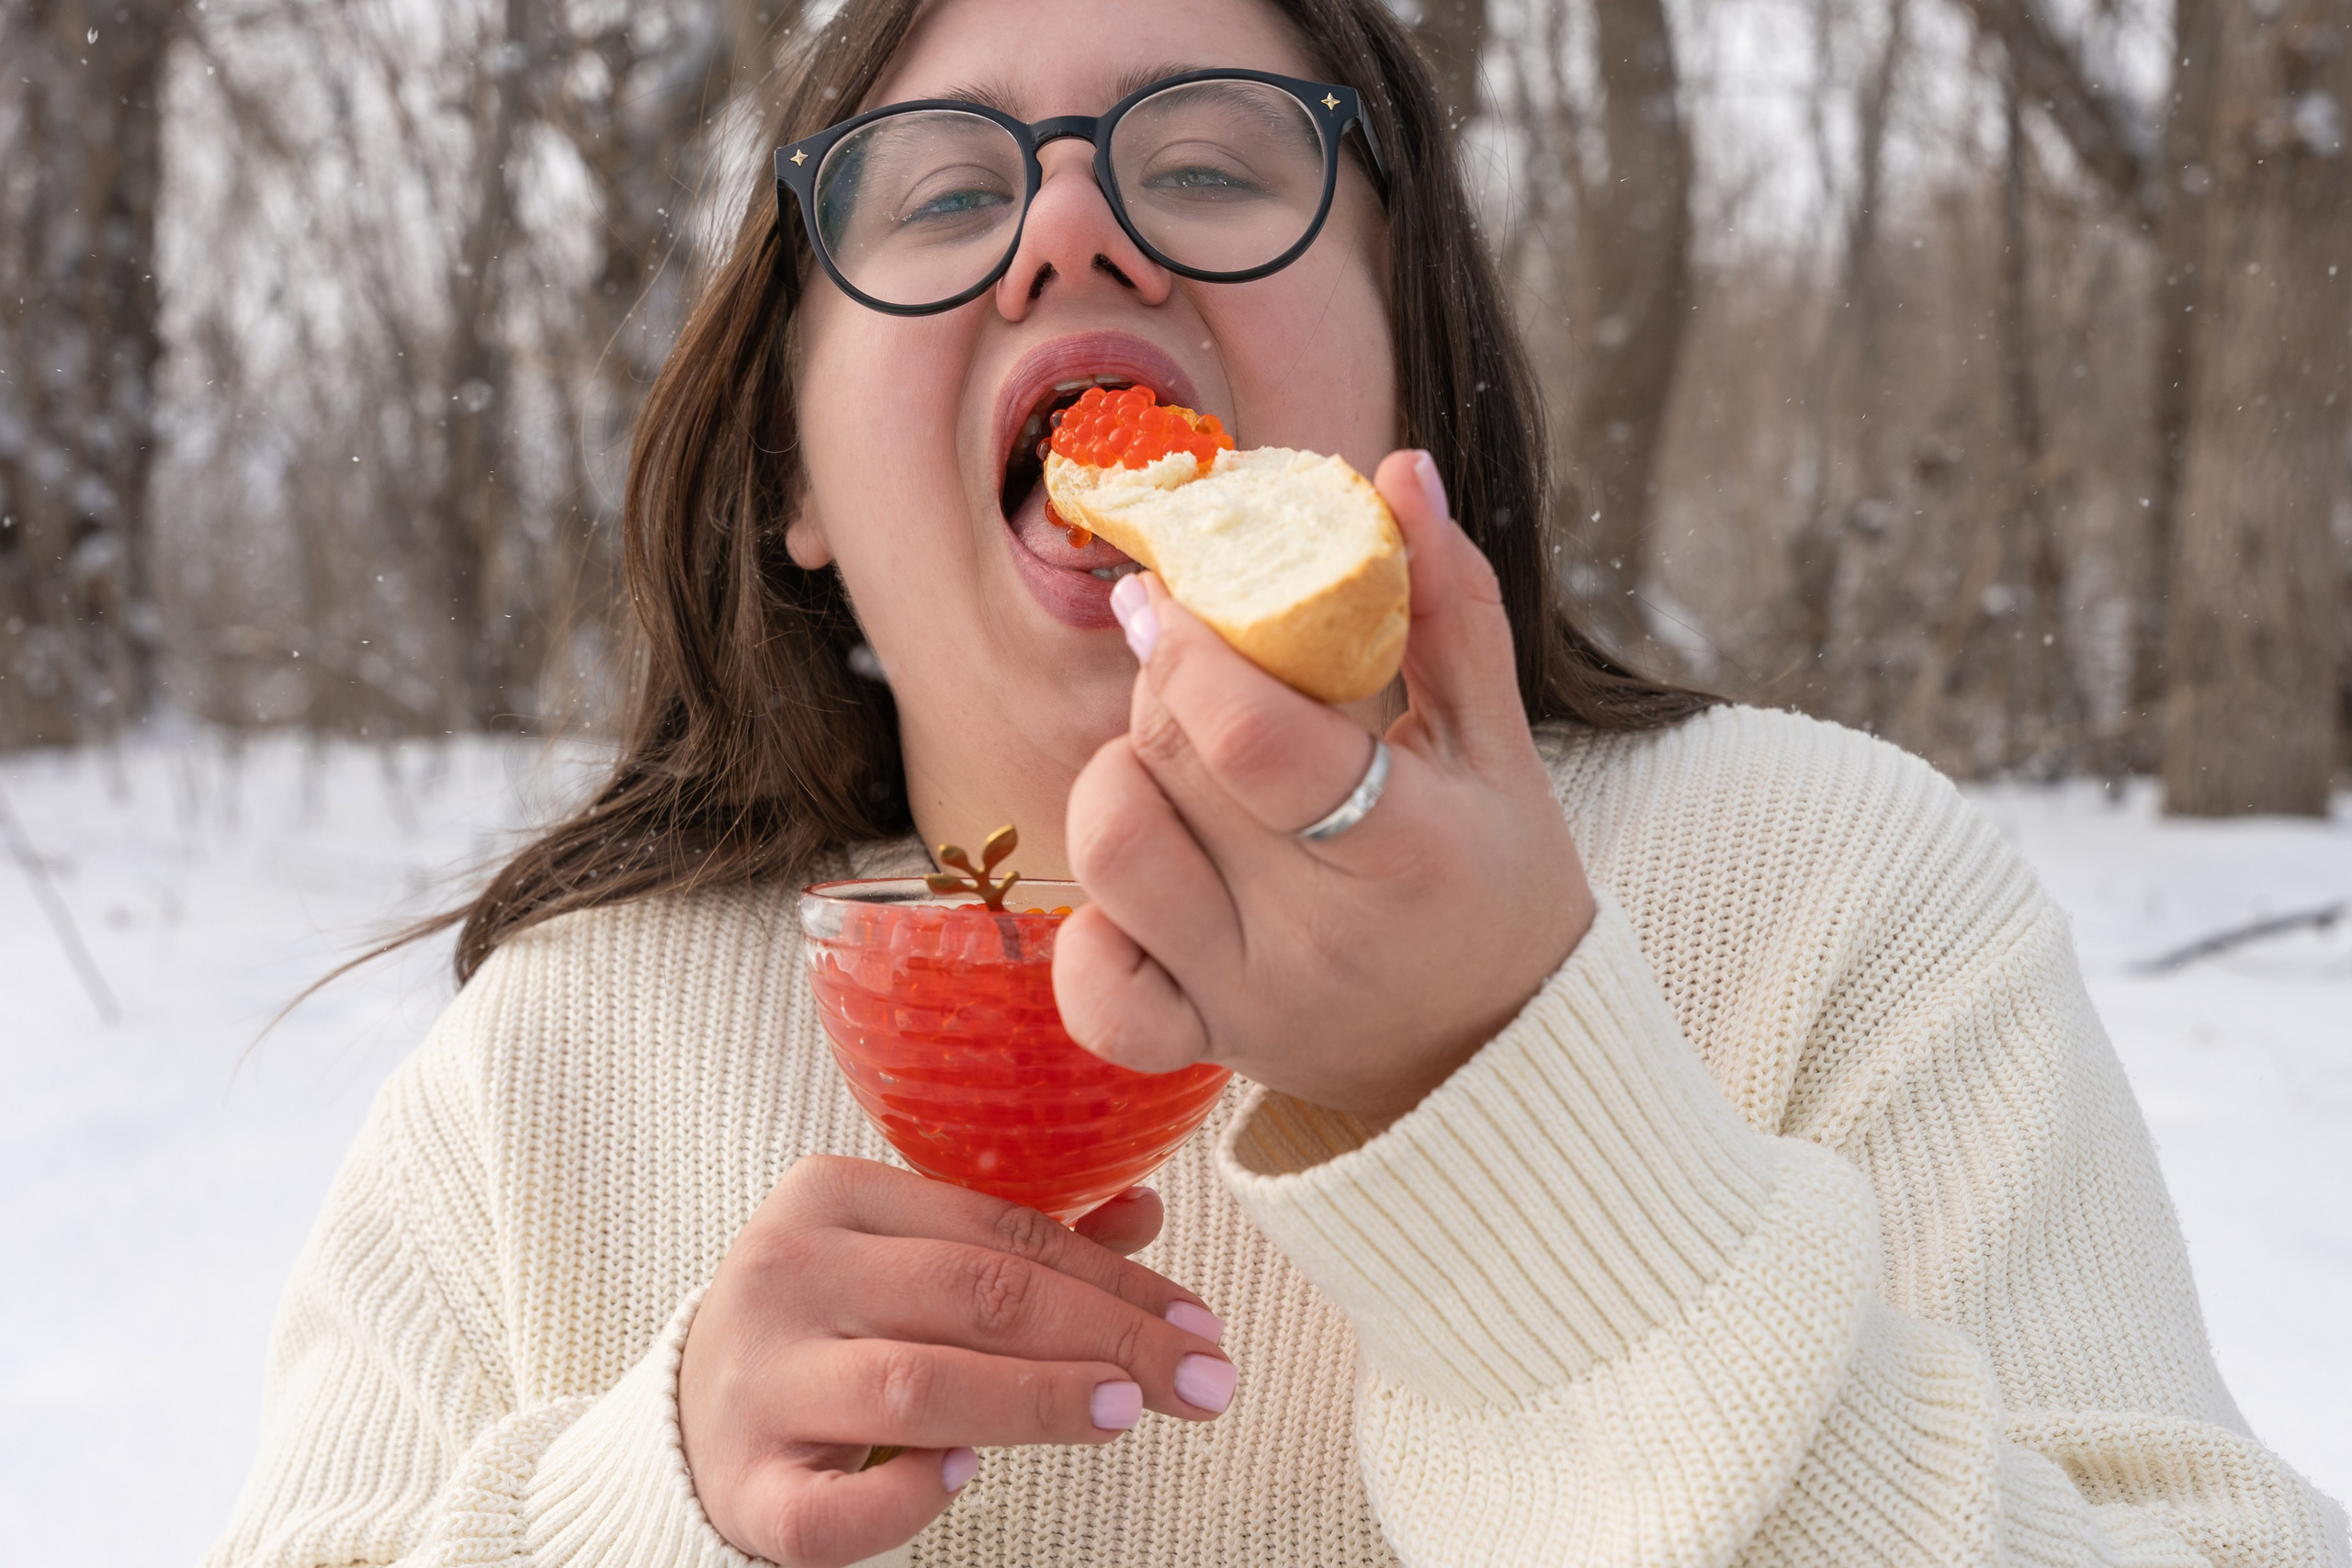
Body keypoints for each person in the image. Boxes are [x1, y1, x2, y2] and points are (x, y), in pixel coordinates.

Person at [206, 2, 2345, 1564]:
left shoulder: (1818, 894)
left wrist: (1506, 1104)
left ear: (1409, 356)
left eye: (1212, 163)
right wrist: (639, 1497)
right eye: (945, 191)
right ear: (792, 476)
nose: (1069, 235)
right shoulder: (553, 1066)